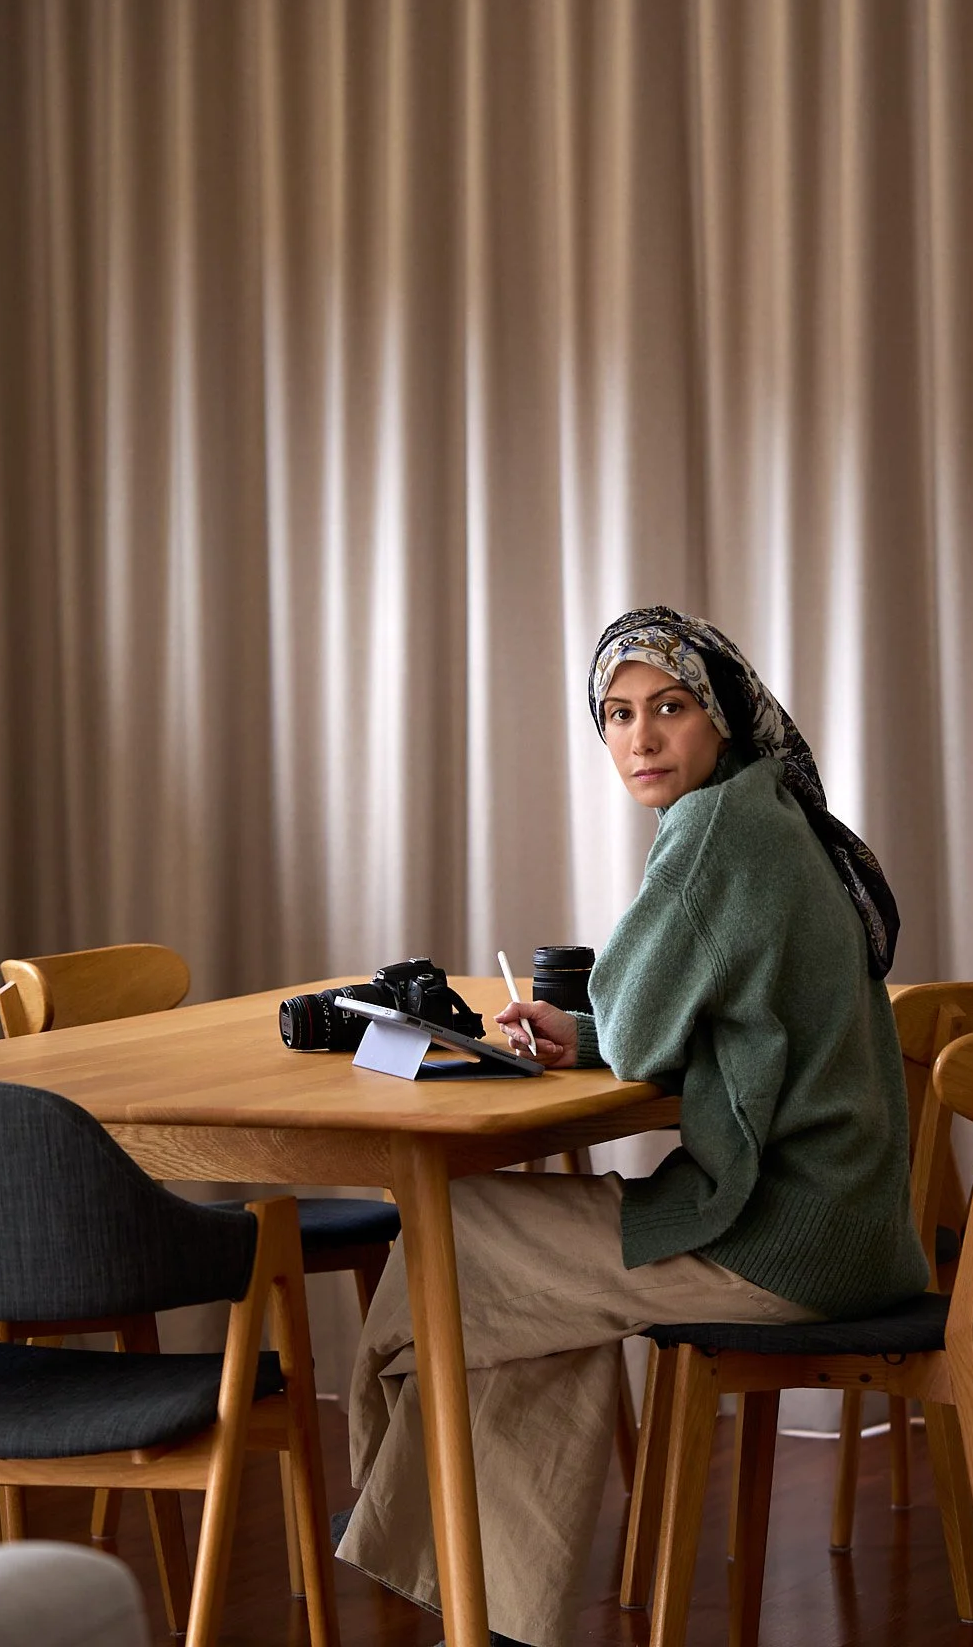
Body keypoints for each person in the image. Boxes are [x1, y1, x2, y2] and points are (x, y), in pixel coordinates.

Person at [336, 605, 928, 1647]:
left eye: (670, 707)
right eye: (616, 714)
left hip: (775, 1238)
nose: (640, 738)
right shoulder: (771, 810)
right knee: (531, 1307)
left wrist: (604, 1020)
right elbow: (671, 1012)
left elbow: (650, 1031)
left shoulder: (713, 827)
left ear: (724, 719)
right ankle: (480, 1598)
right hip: (851, 1228)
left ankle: (381, 1499)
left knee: (452, 1225)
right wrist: (593, 1023)